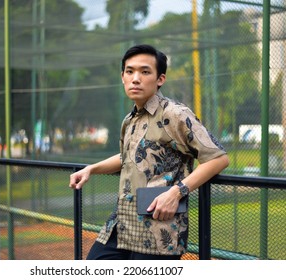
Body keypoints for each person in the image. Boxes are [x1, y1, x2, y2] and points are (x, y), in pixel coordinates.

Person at [69, 44, 229, 260]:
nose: (136, 78)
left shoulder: (176, 114)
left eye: (145, 72)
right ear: (123, 77)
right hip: (122, 225)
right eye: (130, 71)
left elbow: (218, 158)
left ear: (160, 79)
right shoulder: (130, 119)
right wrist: (91, 169)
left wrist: (176, 193)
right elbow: (128, 157)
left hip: (158, 233)